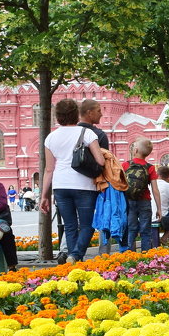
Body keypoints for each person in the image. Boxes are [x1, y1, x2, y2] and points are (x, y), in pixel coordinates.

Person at [41, 98, 105, 264]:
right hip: (84, 185)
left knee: (70, 226)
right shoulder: (87, 133)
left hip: (60, 186)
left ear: (58, 116)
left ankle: (74, 263)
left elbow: (49, 169)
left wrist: (44, 196)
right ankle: (75, 255)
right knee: (87, 225)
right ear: (76, 114)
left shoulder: (50, 138)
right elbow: (101, 161)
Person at [77, 99, 112, 254]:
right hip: (94, 185)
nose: (101, 113)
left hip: (69, 184)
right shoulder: (98, 134)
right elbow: (104, 162)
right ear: (89, 113)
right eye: (98, 110)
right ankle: (103, 253)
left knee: (72, 223)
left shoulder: (70, 132)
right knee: (101, 218)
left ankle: (68, 252)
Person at [121, 138, 163, 252]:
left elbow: (120, 185)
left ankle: (130, 255)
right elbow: (155, 189)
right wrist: (159, 209)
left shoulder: (125, 165)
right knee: (146, 231)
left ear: (136, 150)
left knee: (131, 229)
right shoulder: (150, 167)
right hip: (144, 201)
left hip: (129, 201)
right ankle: (146, 255)